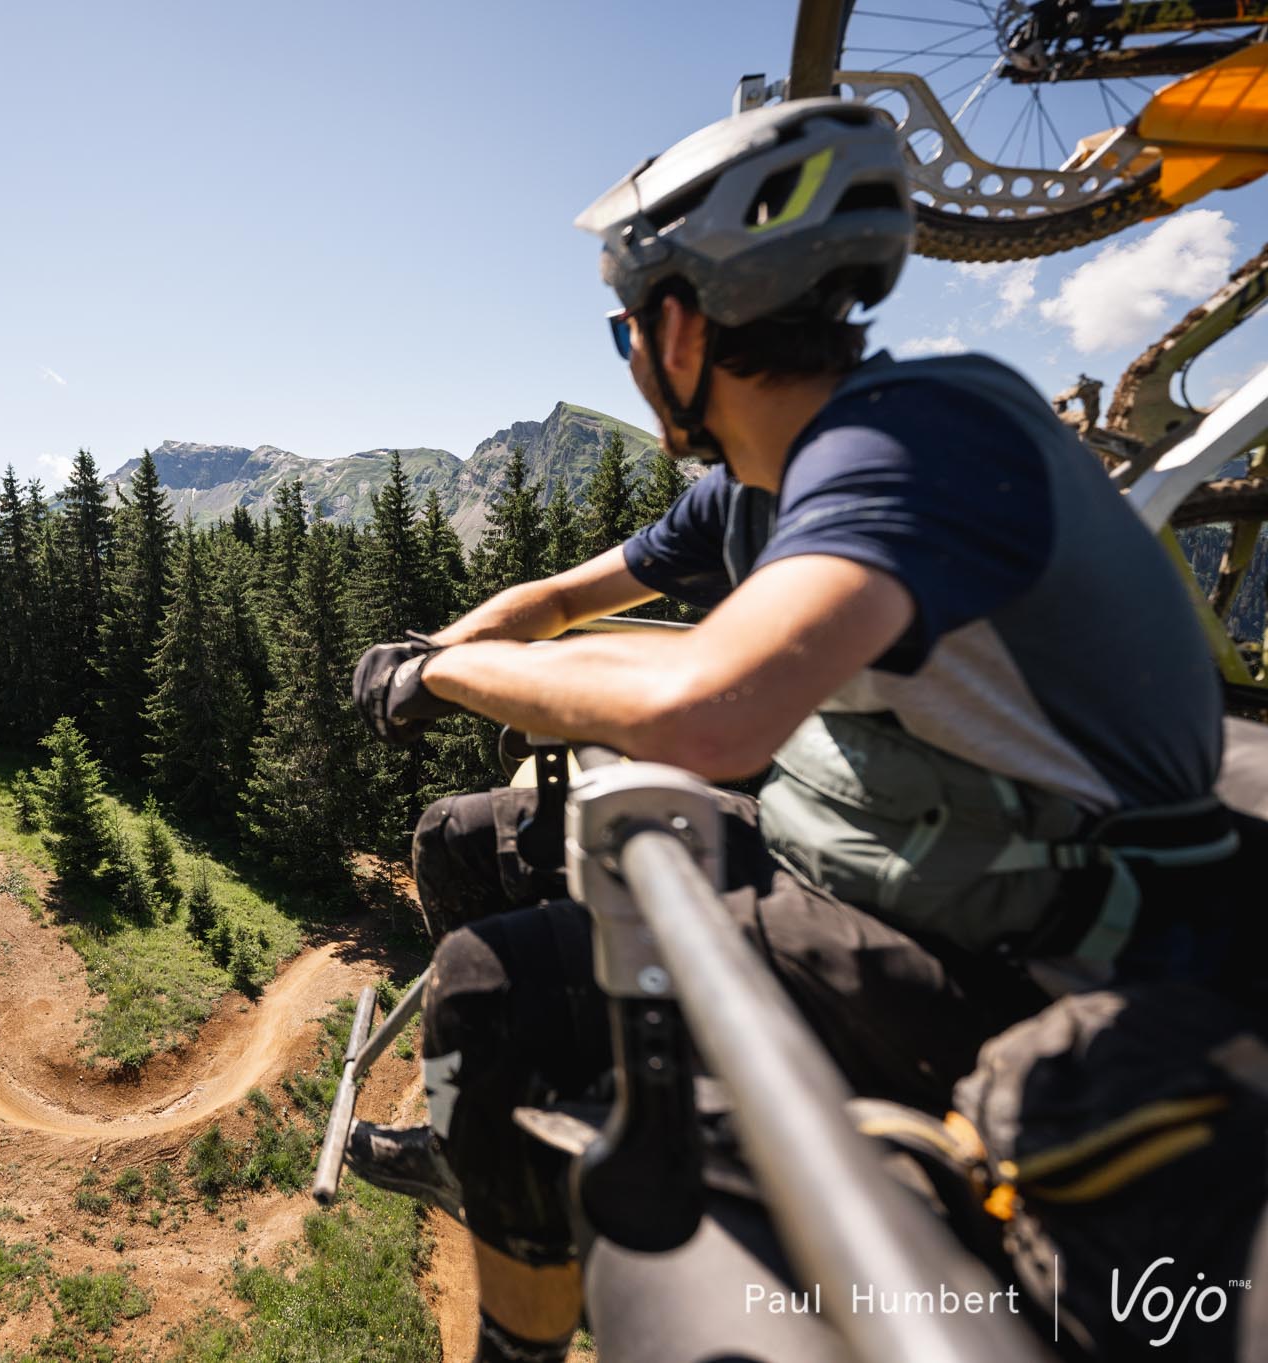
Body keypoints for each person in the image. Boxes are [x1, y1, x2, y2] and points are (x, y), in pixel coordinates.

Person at [345, 98, 1260, 1363]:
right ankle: (489, 1155)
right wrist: (437, 651)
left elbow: (706, 710)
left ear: (674, 324)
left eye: (623, 326)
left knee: (486, 989)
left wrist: (452, 685)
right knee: (465, 839)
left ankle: (519, 1335)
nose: (625, 351)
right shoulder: (754, 485)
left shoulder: (913, 439)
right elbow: (561, 601)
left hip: (1058, 949)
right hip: (921, 857)